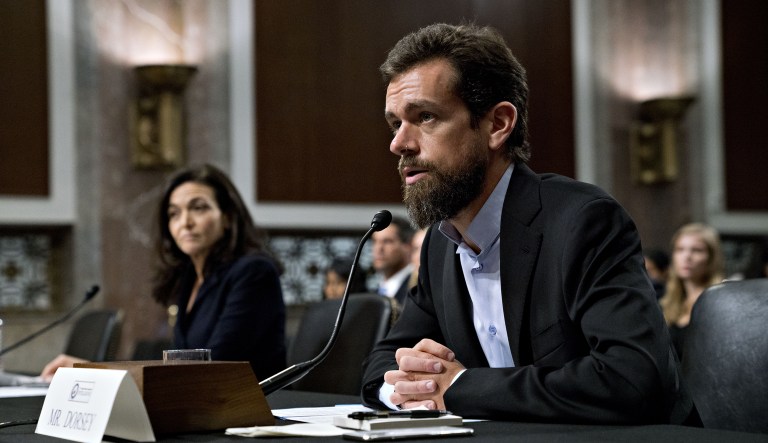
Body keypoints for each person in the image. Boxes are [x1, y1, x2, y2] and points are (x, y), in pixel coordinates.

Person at [361, 23, 697, 425]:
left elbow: (633, 379)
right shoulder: (440, 243)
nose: (398, 143)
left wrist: (461, 388)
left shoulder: (582, 222)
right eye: (395, 123)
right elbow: (383, 362)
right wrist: (407, 389)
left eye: (425, 117)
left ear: (498, 124)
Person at [41, 164, 287, 382]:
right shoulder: (189, 277)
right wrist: (93, 370)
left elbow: (213, 368)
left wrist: (93, 371)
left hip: (257, 410)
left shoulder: (254, 272)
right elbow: (179, 368)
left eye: (198, 208)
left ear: (228, 218)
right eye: (174, 213)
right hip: (203, 405)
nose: (185, 222)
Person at [659, 223, 724, 360]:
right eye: (680, 249)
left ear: (711, 258)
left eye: (697, 250)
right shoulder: (668, 302)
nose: (687, 256)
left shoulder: (720, 301)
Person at [371, 215, 416, 305]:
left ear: (407, 246)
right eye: (375, 241)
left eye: (387, 241)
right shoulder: (373, 294)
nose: (378, 248)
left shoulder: (417, 288)